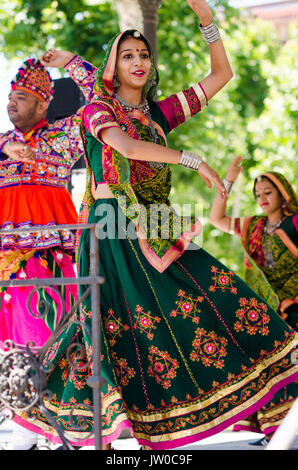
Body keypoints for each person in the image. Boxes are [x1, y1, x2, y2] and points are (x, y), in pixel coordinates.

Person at [11, 0, 298, 450]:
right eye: (128, 55)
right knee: (120, 327)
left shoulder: (160, 114)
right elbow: (124, 147)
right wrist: (192, 160)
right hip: (111, 228)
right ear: (112, 66)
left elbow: (221, 77)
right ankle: (98, 429)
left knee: (211, 294)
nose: (139, 62)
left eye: (144, 55)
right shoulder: (98, 111)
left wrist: (208, 21)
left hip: (157, 225)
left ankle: (238, 404)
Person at [0, 52, 97, 450]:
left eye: (21, 96)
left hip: (45, 262)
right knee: (9, 348)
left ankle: (43, 424)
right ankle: (27, 420)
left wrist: (72, 62)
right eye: (9, 96)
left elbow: (98, 101)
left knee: (45, 340)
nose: (10, 103)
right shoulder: (2, 145)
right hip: (4, 267)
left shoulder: (60, 137)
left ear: (43, 103)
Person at [209, 155, 298, 444]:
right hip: (269, 309)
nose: (262, 198)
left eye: (268, 192)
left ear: (283, 194)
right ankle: (274, 429)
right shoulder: (254, 227)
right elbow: (216, 219)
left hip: (295, 304)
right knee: (265, 365)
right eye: (258, 194)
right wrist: (228, 182)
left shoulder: (295, 222)